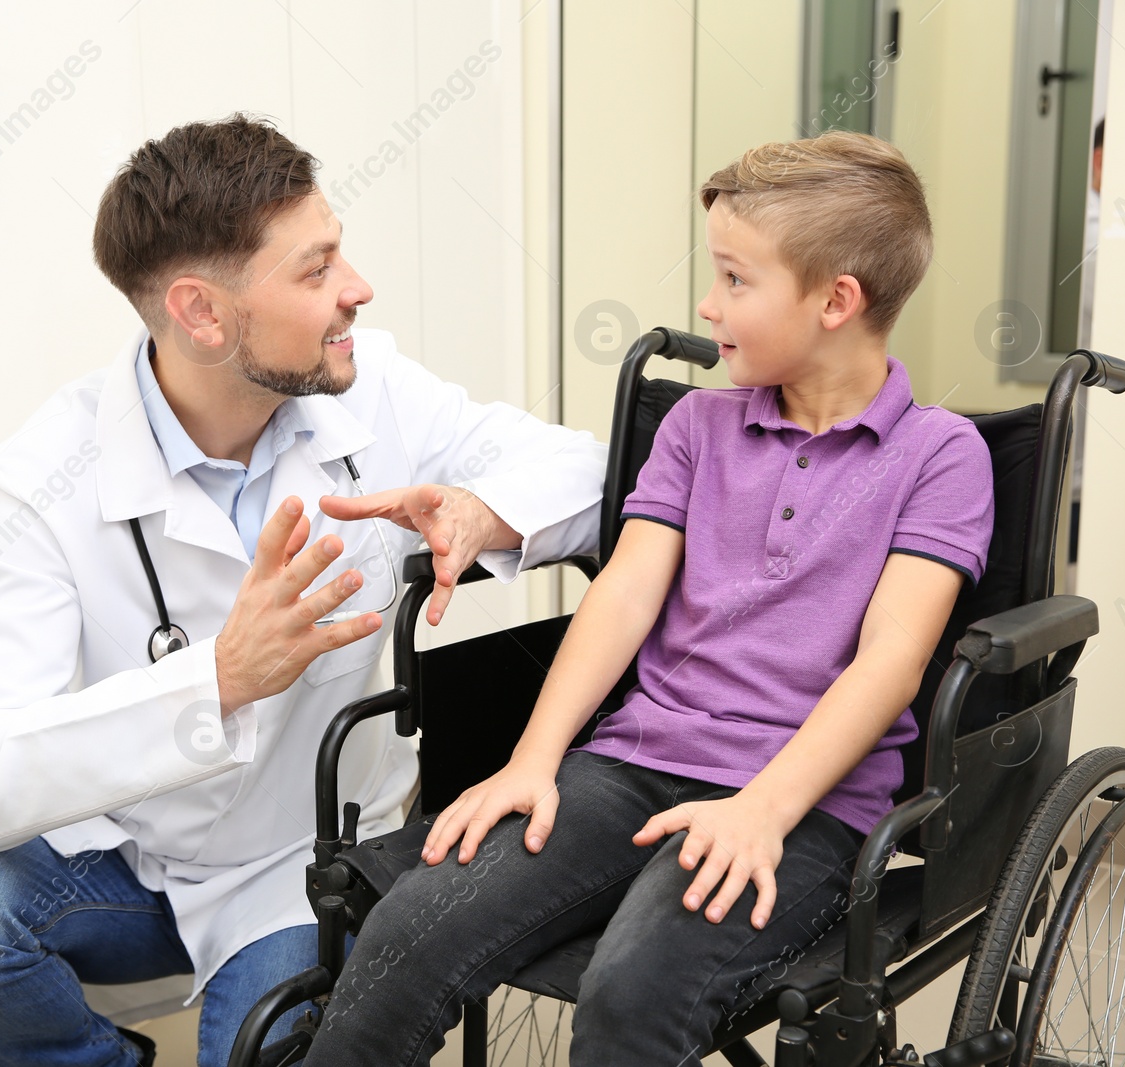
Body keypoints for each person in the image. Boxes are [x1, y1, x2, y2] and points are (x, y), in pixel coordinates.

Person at [0, 114, 606, 1067]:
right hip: (125, 863)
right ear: (203, 313)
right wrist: (216, 679)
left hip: (307, 865)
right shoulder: (49, 474)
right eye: (315, 270)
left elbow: (592, 473)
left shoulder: (372, 388)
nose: (358, 290)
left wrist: (478, 510)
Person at [302, 131, 995, 1066]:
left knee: (632, 994)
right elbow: (622, 595)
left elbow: (893, 659)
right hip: (631, 764)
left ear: (837, 300)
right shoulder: (696, 426)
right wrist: (532, 760)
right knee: (406, 935)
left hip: (804, 802)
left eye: (736, 280)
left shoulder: (940, 455)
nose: (708, 305)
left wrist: (762, 808)